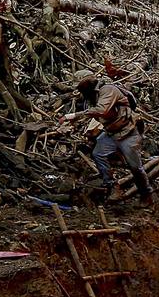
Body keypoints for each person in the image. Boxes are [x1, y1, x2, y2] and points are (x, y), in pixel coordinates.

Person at [62, 70, 154, 205]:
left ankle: (146, 193)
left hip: (128, 131)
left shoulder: (107, 90)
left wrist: (72, 116)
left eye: (81, 85)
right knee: (98, 154)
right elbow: (95, 115)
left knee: (135, 167)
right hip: (111, 133)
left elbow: (102, 110)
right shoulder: (91, 97)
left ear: (88, 83)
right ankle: (112, 186)